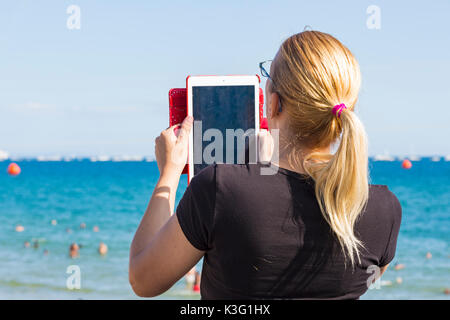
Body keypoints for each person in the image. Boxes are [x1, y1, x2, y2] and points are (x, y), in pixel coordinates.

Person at [129, 30, 402, 299]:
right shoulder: (384, 209)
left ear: (272, 104)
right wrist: (258, 171)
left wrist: (170, 173)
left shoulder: (219, 189)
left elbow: (143, 280)